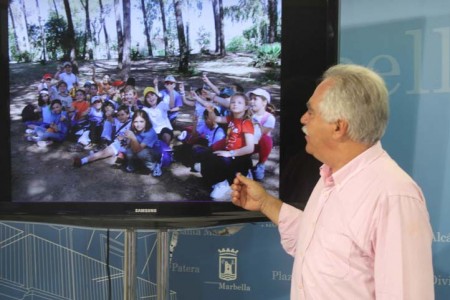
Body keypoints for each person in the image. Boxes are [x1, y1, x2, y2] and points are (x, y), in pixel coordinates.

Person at [230, 64, 434, 299]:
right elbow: (318, 245)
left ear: (338, 127)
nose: (302, 118)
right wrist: (265, 203)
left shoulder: (393, 196)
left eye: (312, 112)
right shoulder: (330, 176)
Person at [201, 93, 254, 200]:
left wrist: (230, 153)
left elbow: (250, 148)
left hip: (240, 158)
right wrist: (211, 110)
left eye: (239, 103)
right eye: (233, 102)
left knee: (221, 160)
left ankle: (229, 182)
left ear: (246, 107)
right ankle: (218, 181)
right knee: (208, 157)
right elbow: (215, 119)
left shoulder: (246, 123)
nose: (235, 104)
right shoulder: (230, 119)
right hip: (229, 153)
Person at [247, 88, 276, 180]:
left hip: (258, 143)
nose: (252, 101)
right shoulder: (248, 114)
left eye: (255, 99)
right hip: (247, 142)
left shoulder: (269, 117)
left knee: (266, 139)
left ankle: (261, 164)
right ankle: (245, 165)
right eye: (251, 99)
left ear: (264, 102)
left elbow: (263, 132)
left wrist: (254, 121)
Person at [124, 109, 163, 177]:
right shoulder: (134, 129)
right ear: (132, 122)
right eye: (136, 122)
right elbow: (129, 146)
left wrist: (133, 138)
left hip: (154, 153)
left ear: (146, 122)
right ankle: (136, 165)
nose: (138, 125)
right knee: (128, 152)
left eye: (141, 121)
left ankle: (155, 166)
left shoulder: (150, 133)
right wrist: (128, 138)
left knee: (141, 153)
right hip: (141, 149)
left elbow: (138, 150)